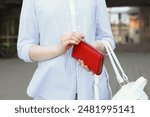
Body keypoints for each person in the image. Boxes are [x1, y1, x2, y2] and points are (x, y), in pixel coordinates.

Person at [17, 0, 115, 100]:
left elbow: (108, 39)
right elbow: (23, 48)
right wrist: (58, 49)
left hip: (93, 90)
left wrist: (93, 49)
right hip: (51, 93)